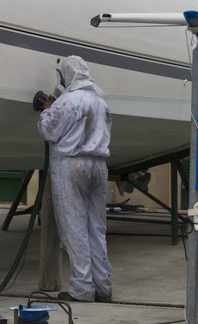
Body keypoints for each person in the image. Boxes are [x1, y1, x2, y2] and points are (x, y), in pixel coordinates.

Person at [36, 55, 113, 303]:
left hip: (71, 164)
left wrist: (47, 111)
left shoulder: (68, 101)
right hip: (98, 165)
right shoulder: (101, 103)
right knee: (96, 229)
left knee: (74, 229)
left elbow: (49, 132)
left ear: (67, 76)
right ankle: (103, 287)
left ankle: (82, 289)